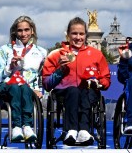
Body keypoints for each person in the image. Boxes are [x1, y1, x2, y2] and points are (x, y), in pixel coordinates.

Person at [42, 17, 110, 146]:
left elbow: (106, 79)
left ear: (86, 35)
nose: (78, 37)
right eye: (74, 33)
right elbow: (46, 83)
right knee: (74, 90)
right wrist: (60, 69)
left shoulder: (96, 54)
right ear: (67, 35)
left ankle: (84, 130)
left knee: (86, 90)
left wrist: (99, 83)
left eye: (81, 34)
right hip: (64, 93)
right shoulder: (56, 54)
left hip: (89, 92)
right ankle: (71, 130)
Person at [0, 15, 47, 143]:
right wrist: (9, 68)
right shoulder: (5, 50)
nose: (23, 33)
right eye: (20, 30)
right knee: (16, 86)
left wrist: (39, 90)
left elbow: (41, 76)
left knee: (25, 87)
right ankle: (17, 126)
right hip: (7, 87)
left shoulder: (42, 52)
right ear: (15, 32)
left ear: (32, 30)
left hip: (28, 88)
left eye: (27, 30)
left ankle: (27, 126)